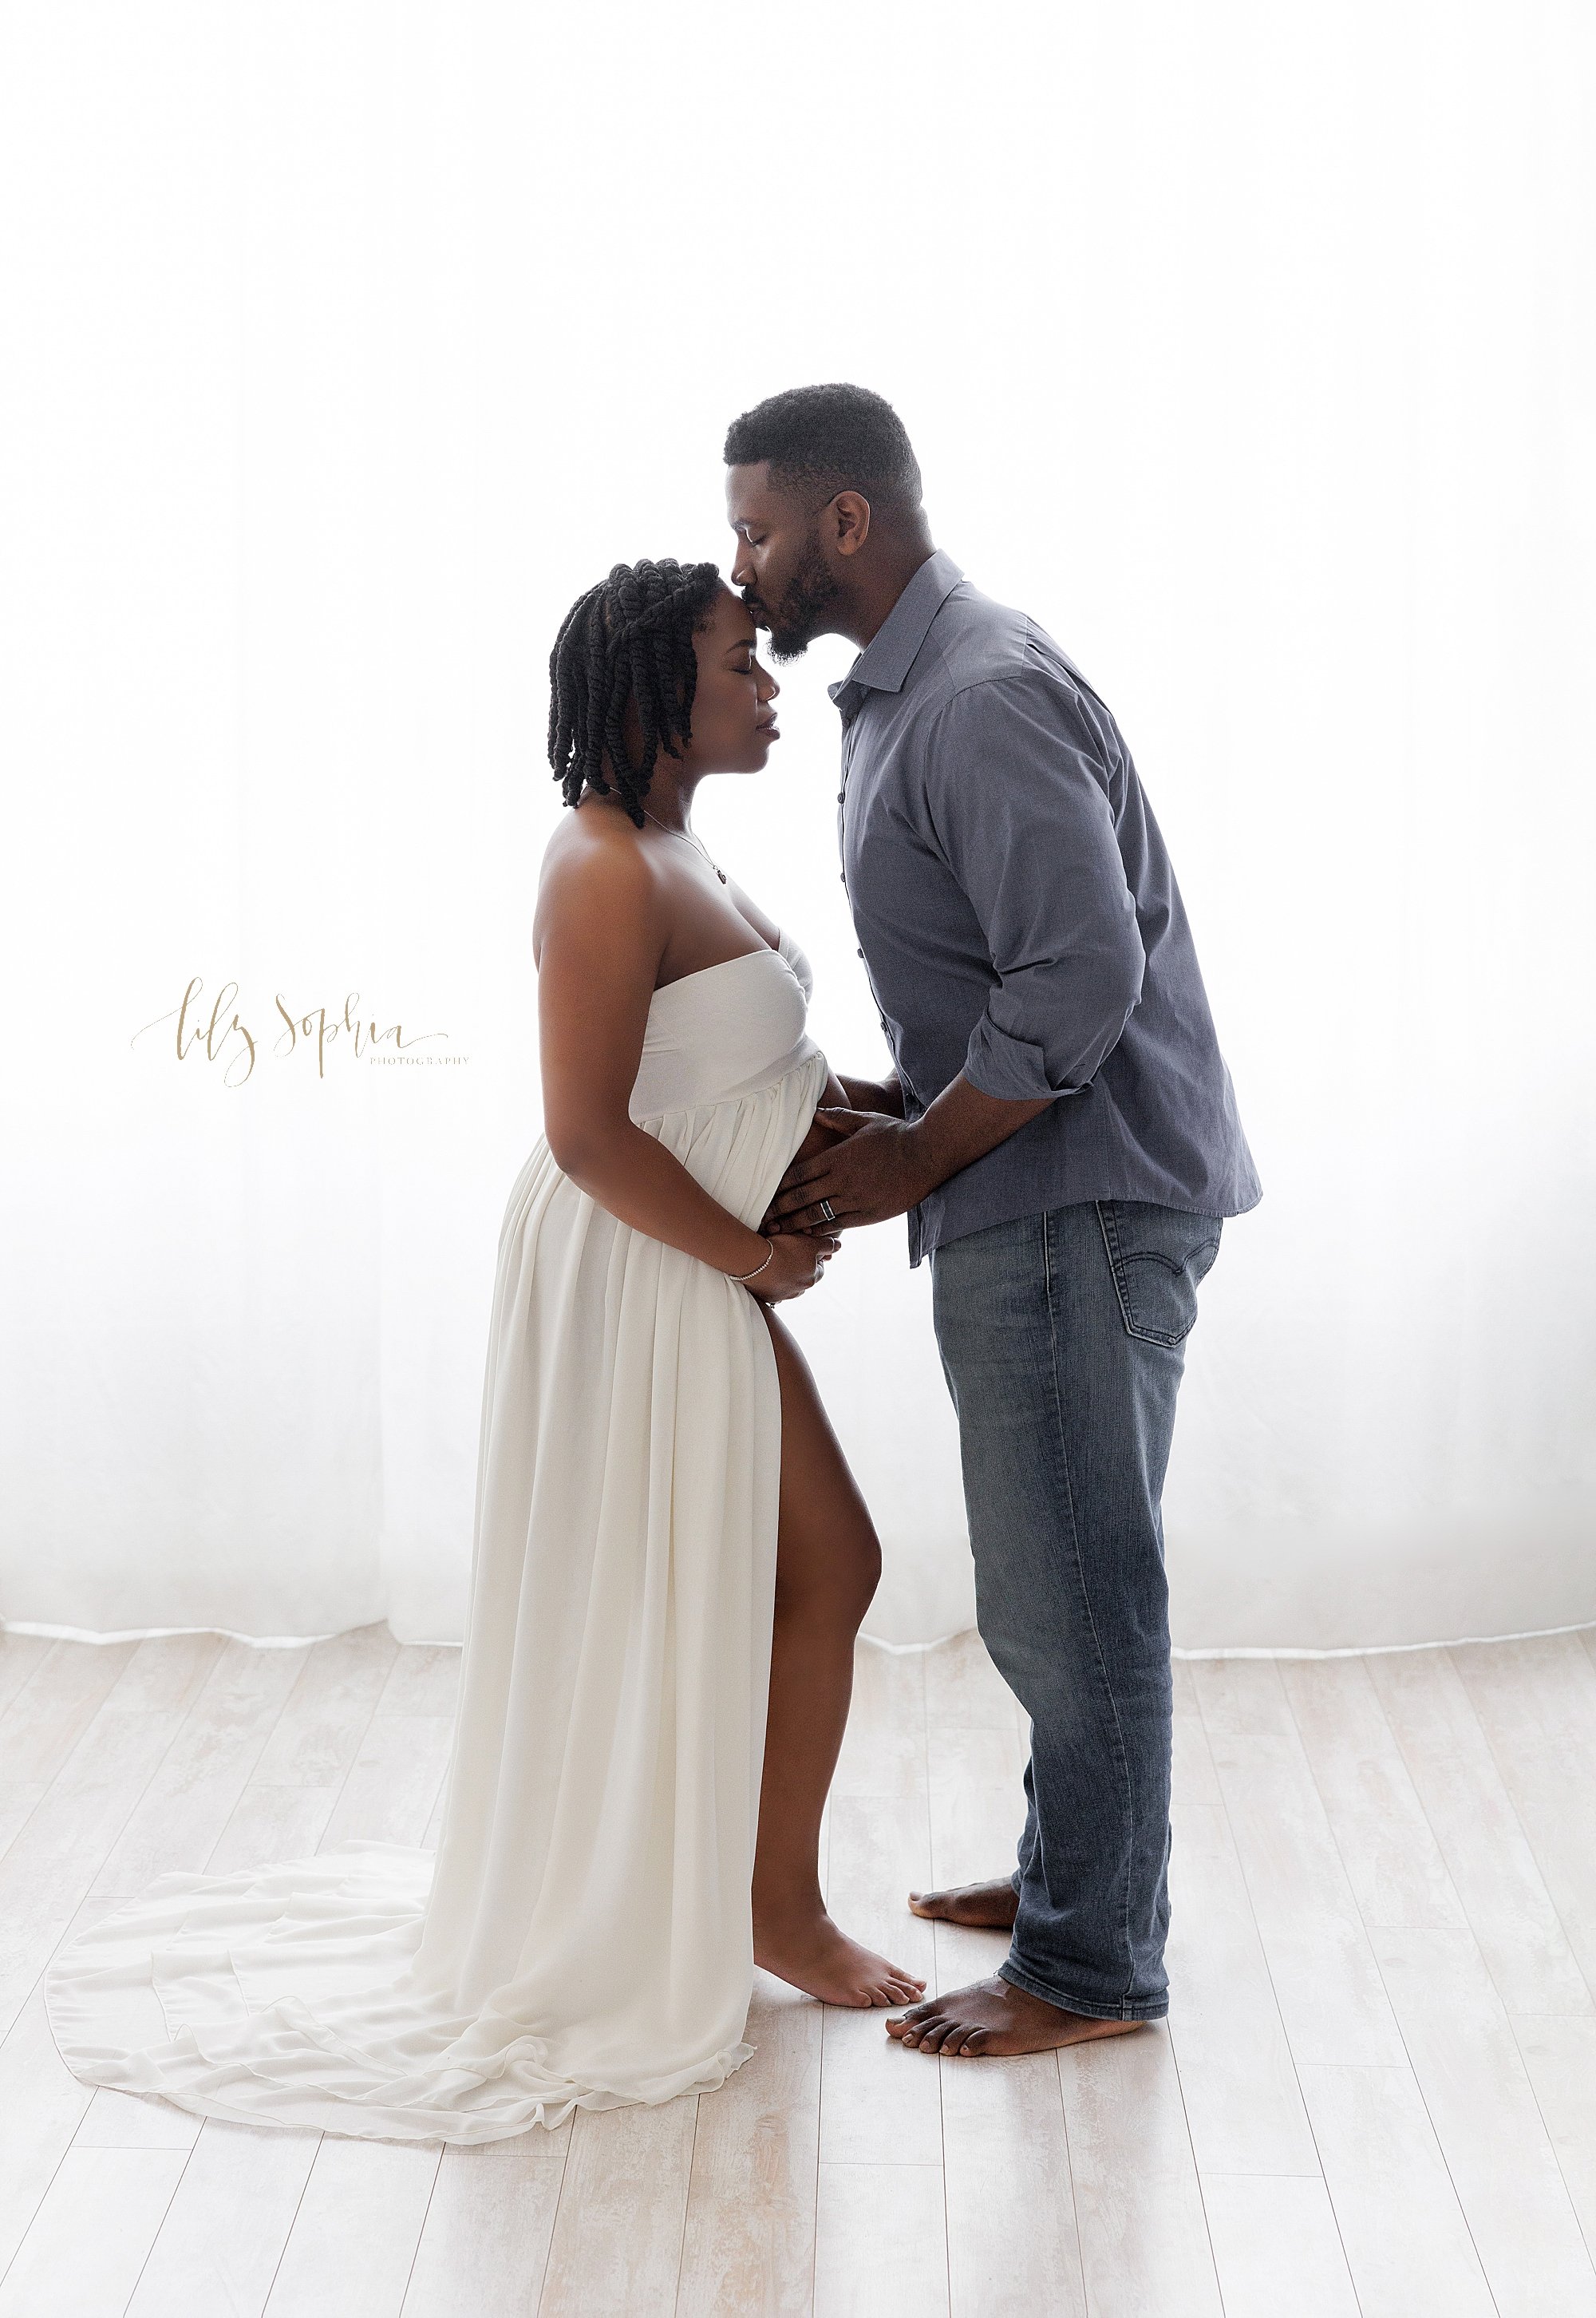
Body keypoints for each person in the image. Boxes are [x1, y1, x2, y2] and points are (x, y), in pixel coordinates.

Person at [45, 556, 921, 2143]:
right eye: (740, 663)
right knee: (791, 1567)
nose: (770, 685)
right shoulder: (597, 865)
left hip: (695, 1265)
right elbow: (587, 1135)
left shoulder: (677, 845)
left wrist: (896, 1131)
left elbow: (731, 1073)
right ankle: (752, 1911)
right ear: (655, 683)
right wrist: (755, 1256)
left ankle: (770, 1904)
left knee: (825, 1566)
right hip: (639, 1267)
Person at [723, 384, 1262, 2059]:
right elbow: (1016, 971)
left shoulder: (971, 699)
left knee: (1070, 1590)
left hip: (1072, 1203)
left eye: (755, 531)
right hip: (1042, 1183)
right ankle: (1068, 1883)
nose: (737, 572)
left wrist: (916, 1153)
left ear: (845, 523)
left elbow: (1083, 976)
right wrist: (907, 1100)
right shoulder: (910, 693)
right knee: (1062, 1572)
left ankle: (1091, 1969)